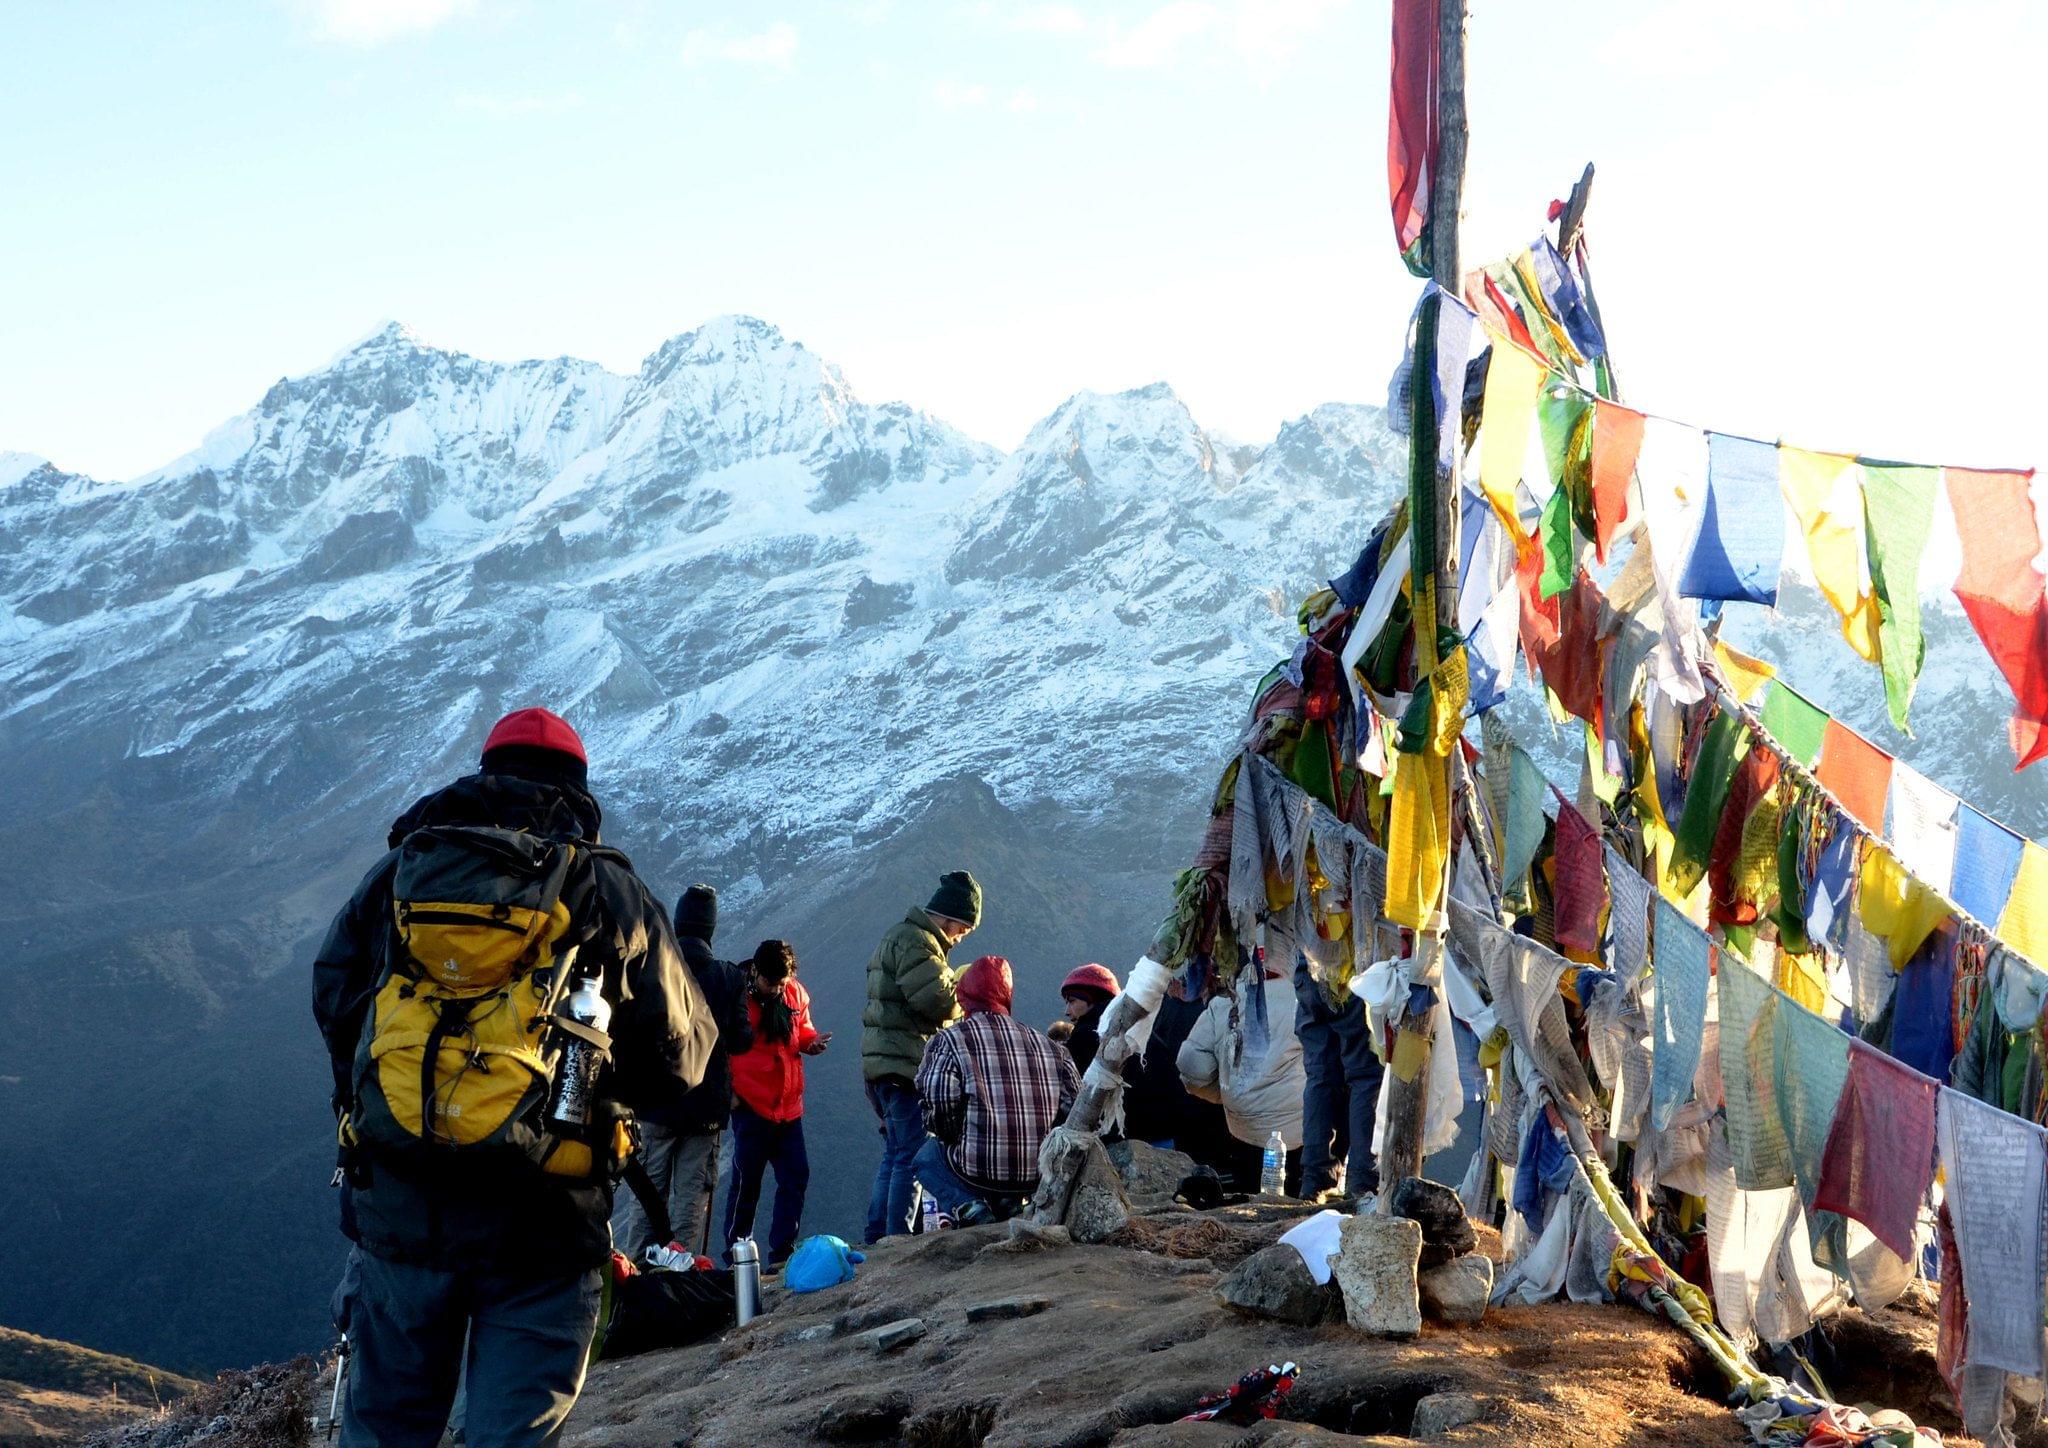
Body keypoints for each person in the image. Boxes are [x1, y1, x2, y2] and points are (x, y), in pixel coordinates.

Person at [312, 706, 715, 1448]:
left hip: (401, 1207)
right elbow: (682, 1059)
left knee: (384, 1429)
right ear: (578, 788)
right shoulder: (601, 886)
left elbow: (336, 1000)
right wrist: (593, 1083)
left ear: (486, 772)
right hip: (546, 1224)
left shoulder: (404, 871)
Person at [610, 884, 752, 1262]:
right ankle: (681, 1279)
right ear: (710, 929)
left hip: (656, 1102)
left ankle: (636, 1277)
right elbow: (741, 1042)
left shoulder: (654, 967)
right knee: (692, 1199)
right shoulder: (728, 978)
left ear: (678, 922)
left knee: (648, 1195)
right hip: (705, 1109)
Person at [913, 956, 1079, 1225]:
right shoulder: (1051, 1047)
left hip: (975, 1171)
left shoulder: (950, 1040)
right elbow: (1076, 1108)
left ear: (964, 996)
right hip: (1036, 1173)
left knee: (926, 1157)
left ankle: (971, 1209)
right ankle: (1009, 1206)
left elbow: (939, 1101)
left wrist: (955, 1136)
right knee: (1006, 1159)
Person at [861, 870, 978, 1242]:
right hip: (906, 1063)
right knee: (912, 1157)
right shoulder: (917, 941)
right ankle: (897, 1240)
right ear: (950, 919)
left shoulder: (900, 936)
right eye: (963, 930)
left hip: (884, 1063)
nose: (960, 939)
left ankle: (879, 1234)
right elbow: (935, 1000)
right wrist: (964, 992)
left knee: (894, 1155)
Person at [723, 939, 829, 1267]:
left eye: (782, 982)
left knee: (795, 1176)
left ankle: (781, 1255)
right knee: (746, 1185)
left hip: (788, 1105)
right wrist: (727, 1091)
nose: (776, 989)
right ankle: (737, 1258)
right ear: (755, 971)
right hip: (752, 1104)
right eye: (771, 982)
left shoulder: (794, 992)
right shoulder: (735, 997)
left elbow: (803, 1030)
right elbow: (718, 1044)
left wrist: (810, 1044)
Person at [1176, 953, 1307, 1196]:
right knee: (1300, 1199)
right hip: (1301, 1128)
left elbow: (1191, 1065)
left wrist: (1226, 1093)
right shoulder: (1305, 997)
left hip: (1243, 1128)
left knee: (1250, 1195)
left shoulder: (1225, 1002)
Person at [1057, 962, 1121, 1073]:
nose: (1067, 1012)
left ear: (1093, 1000)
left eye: (1072, 1001)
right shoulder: (1131, 1032)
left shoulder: (1083, 1037)